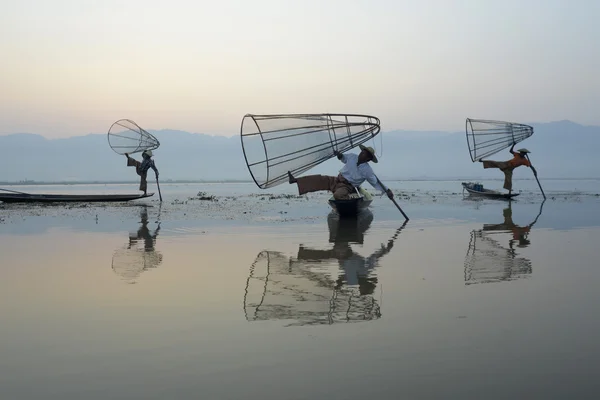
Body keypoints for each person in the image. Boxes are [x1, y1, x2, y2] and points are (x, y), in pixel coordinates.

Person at [287, 144, 394, 200]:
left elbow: (375, 182)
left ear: (368, 159)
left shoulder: (368, 171)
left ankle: (351, 199)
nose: (362, 154)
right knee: (319, 179)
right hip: (336, 180)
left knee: (339, 195)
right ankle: (295, 180)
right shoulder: (352, 157)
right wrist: (339, 155)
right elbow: (343, 158)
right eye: (362, 152)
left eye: (365, 154)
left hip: (347, 187)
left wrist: (387, 190)